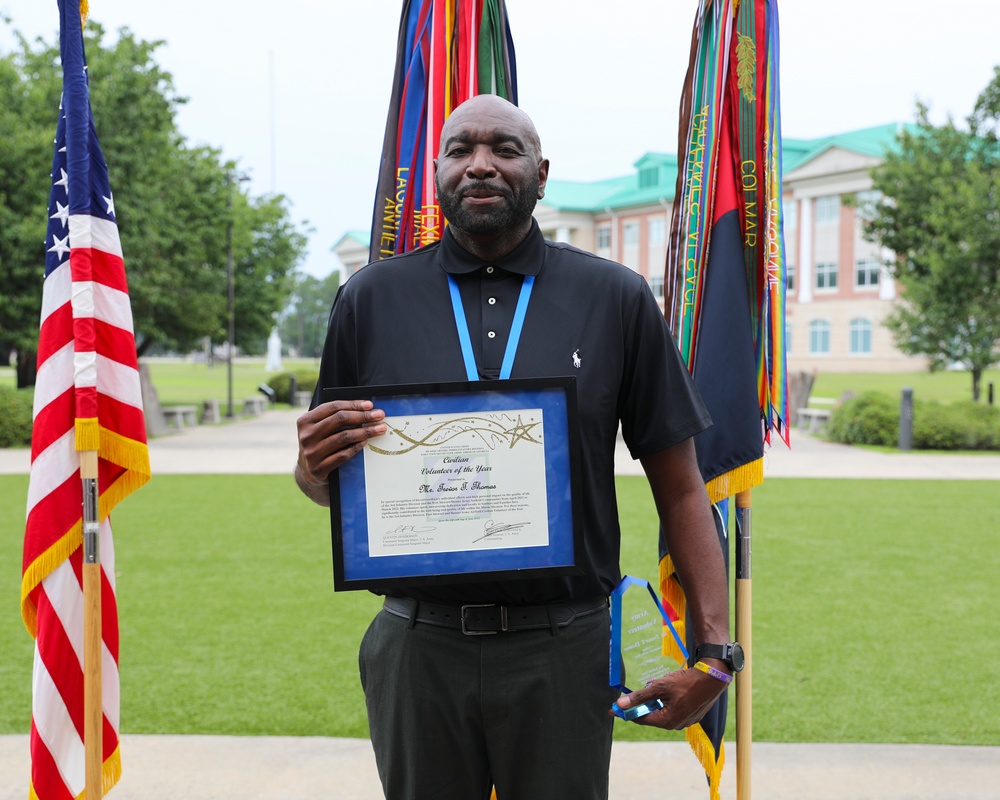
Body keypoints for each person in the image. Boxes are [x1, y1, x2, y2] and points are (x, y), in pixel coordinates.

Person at [296, 94, 734, 800]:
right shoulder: (370, 298)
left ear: (541, 172)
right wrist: (311, 467)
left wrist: (714, 653)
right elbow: (331, 485)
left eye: (505, 149)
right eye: (460, 149)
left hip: (563, 647)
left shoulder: (614, 297)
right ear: (435, 170)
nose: (481, 165)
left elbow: (682, 486)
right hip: (418, 646)